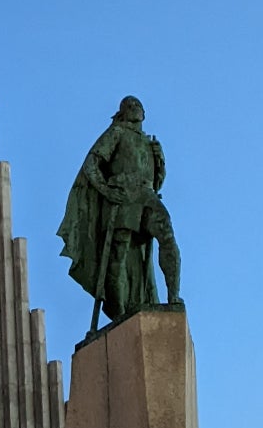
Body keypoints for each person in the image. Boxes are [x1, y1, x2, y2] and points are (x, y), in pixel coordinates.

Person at [57, 95, 183, 327]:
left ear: (144, 113)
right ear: (122, 112)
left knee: (167, 237)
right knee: (120, 254)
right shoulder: (117, 132)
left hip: (146, 195)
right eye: (129, 105)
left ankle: (173, 296)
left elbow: (156, 182)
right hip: (122, 195)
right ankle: (121, 312)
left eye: (138, 105)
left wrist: (160, 161)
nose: (134, 108)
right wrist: (105, 190)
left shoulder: (149, 142)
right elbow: (91, 163)